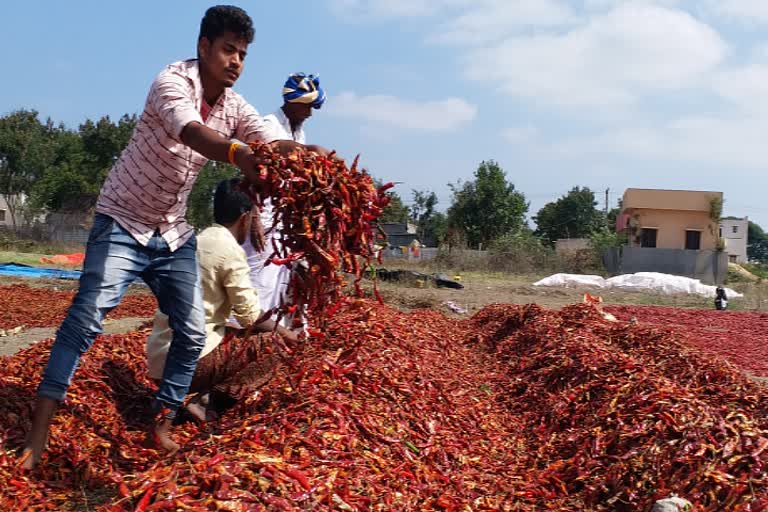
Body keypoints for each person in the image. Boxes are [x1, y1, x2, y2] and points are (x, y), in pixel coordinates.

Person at [21, 5, 326, 469]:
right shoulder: (172, 83)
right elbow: (194, 133)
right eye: (227, 50)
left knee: (190, 330)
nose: (236, 62)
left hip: (172, 231)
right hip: (122, 220)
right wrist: (239, 154)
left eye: (243, 54)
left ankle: (161, 423)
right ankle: (38, 432)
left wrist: (310, 155)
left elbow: (268, 139)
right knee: (84, 322)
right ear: (203, 47)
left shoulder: (234, 105)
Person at [146, 178, 298, 422]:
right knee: (275, 343)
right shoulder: (228, 249)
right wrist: (287, 334)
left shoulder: (195, 241)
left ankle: (174, 396)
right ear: (245, 216)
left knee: (235, 335)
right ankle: (206, 404)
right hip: (188, 362)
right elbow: (249, 316)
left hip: (157, 359)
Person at [240, 73, 326, 328]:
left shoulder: (298, 130)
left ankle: (278, 330)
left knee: (284, 275)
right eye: (307, 106)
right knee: (259, 274)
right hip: (263, 213)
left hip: (283, 216)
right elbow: (257, 168)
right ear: (291, 102)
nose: (310, 112)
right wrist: (253, 214)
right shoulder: (269, 125)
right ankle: (249, 330)